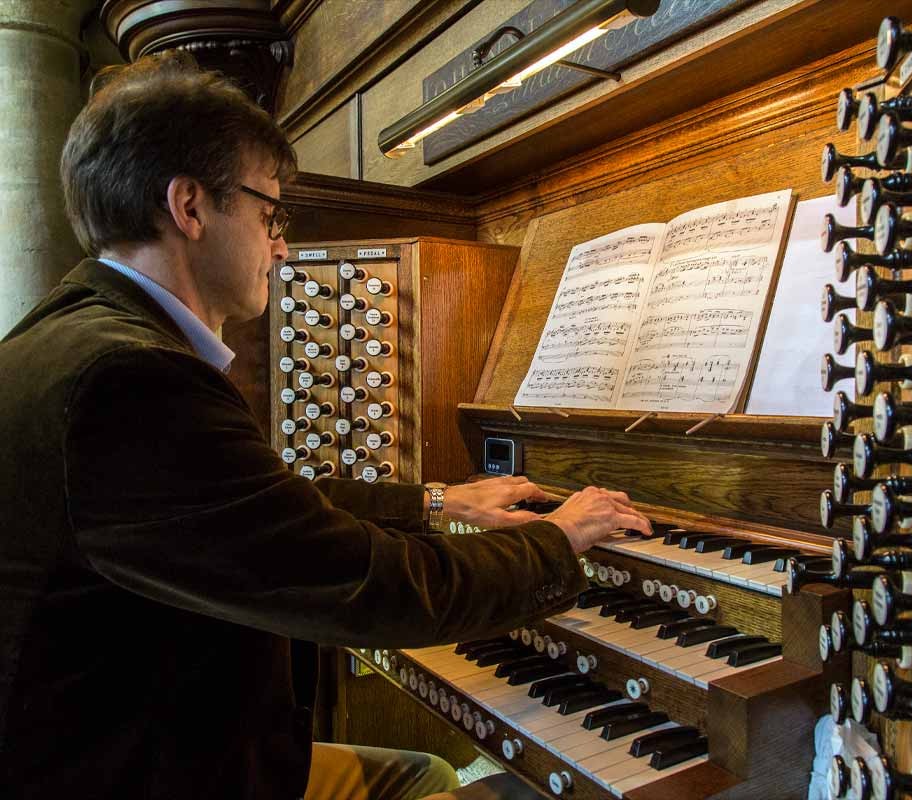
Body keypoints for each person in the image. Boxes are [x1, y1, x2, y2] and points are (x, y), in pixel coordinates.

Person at [0, 53, 652, 800]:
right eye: (270, 214)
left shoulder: (71, 340)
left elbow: (260, 510)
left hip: (127, 743)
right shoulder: (131, 382)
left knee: (427, 772)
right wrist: (556, 540)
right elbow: (367, 586)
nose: (281, 247)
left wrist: (439, 503)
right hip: (139, 770)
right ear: (190, 206)